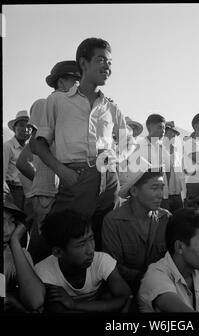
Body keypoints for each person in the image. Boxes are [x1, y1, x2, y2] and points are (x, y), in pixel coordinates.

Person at [30, 38, 135, 249]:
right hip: (75, 177)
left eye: (110, 63)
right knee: (55, 237)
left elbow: (129, 142)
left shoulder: (111, 107)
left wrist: (116, 158)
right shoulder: (58, 101)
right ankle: (31, 279)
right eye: (102, 60)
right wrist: (62, 171)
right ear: (84, 63)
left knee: (102, 238)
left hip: (108, 179)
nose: (107, 67)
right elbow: (38, 145)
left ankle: (98, 280)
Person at [17, 61, 81, 263]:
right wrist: (44, 182)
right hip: (47, 193)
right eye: (75, 81)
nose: (80, 87)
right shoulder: (44, 104)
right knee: (45, 245)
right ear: (62, 83)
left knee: (59, 245)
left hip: (62, 191)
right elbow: (33, 149)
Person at [35, 209, 132, 313]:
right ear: (58, 252)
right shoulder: (45, 272)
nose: (90, 250)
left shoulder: (101, 260)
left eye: (91, 239)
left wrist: (75, 305)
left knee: (108, 296)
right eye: (81, 244)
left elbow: (125, 298)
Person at [101, 160, 171, 296]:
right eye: (154, 188)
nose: (160, 194)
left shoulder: (166, 218)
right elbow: (113, 267)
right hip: (127, 289)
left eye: (162, 188)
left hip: (163, 287)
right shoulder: (113, 221)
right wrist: (147, 278)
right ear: (134, 191)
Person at [3, 191, 45, 313]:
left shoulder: (15, 254)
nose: (7, 230)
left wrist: (15, 241)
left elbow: (36, 301)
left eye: (11, 221)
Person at [128, 114, 171, 207]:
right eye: (160, 127)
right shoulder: (138, 147)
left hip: (163, 196)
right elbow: (133, 173)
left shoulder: (163, 149)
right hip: (145, 197)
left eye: (164, 128)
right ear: (149, 127)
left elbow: (168, 171)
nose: (163, 131)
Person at [3, 110, 31, 210]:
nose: (25, 129)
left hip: (28, 191)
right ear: (15, 128)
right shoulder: (7, 147)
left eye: (28, 126)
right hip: (13, 190)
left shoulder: (30, 148)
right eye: (21, 125)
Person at [162, 121, 184, 212]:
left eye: (175, 133)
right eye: (172, 132)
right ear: (165, 132)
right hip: (164, 195)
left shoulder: (177, 153)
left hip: (177, 194)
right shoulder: (158, 150)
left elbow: (180, 173)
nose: (174, 136)